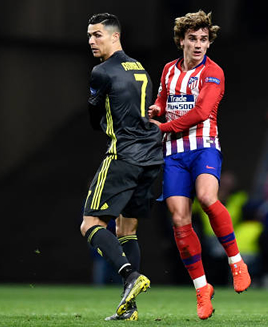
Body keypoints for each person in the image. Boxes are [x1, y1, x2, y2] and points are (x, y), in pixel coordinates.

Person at [148, 10, 251, 319]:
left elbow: (202, 112)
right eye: (192, 38)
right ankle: (202, 288)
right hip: (174, 155)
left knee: (207, 198)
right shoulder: (168, 70)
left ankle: (236, 262)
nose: (198, 45)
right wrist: (155, 110)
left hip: (204, 147)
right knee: (179, 219)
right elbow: (164, 104)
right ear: (181, 40)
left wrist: (161, 128)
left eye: (204, 39)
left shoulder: (213, 72)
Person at [80, 13, 163, 321]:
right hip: (151, 157)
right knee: (127, 230)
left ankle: (129, 275)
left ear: (115, 36)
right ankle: (130, 307)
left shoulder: (101, 71)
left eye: (97, 35)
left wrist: (99, 116)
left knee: (90, 224)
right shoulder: (139, 68)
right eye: (89, 35)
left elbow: (93, 118)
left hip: (123, 156)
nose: (91, 40)